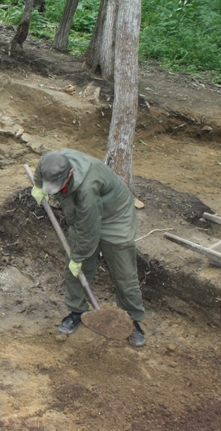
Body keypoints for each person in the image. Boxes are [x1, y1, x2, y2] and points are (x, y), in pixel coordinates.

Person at [31, 149, 146, 347]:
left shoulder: (88, 188)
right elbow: (41, 172)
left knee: (124, 272)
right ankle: (78, 311)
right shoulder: (50, 162)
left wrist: (78, 257)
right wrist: (39, 186)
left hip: (115, 216)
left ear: (69, 174)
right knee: (74, 271)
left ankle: (131, 319)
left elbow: (88, 231)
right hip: (81, 212)